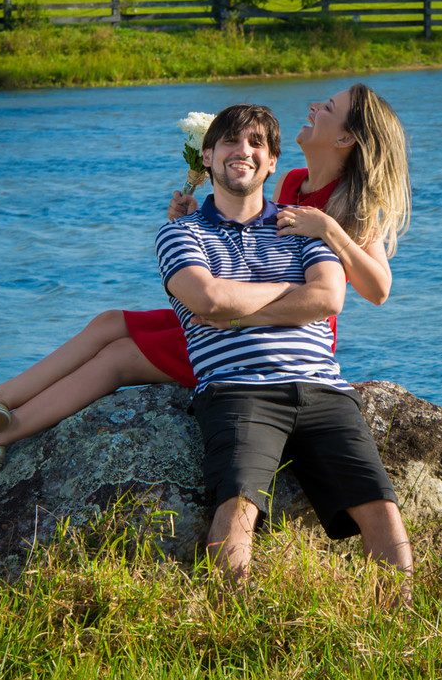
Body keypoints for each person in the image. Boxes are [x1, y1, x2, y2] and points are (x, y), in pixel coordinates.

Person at [0, 83, 411, 471]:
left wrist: (331, 231)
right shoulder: (295, 180)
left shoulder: (351, 201)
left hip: (283, 334)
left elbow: (378, 291)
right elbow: (255, 243)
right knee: (110, 323)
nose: (314, 107)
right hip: (248, 304)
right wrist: (199, 222)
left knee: (120, 358)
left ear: (345, 135)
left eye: (326, 107)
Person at [153, 102, 411, 586]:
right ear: (206, 157)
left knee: (381, 508)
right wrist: (288, 294)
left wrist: (234, 312)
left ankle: (401, 629)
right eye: (230, 141)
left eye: (256, 144)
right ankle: (236, 632)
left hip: (323, 388)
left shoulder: (301, 225)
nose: (243, 151)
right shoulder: (180, 232)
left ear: (273, 163)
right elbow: (206, 296)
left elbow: (330, 297)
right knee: (237, 506)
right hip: (236, 388)